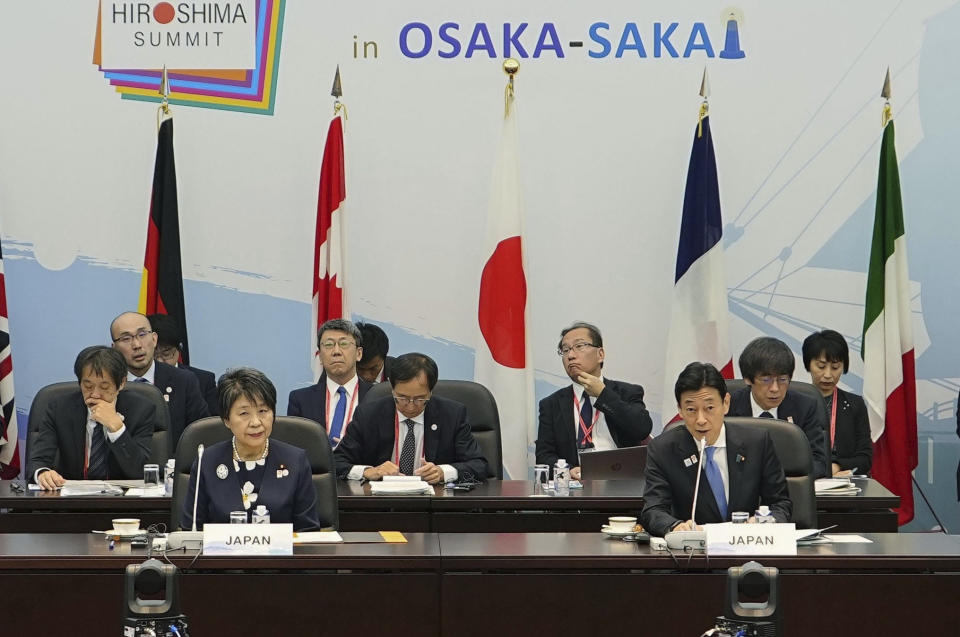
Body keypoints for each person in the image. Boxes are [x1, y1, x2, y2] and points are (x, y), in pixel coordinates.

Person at [641, 362, 792, 537]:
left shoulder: (756, 443)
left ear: (726, 403)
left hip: (747, 550)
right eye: (691, 410)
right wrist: (676, 526)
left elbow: (780, 504)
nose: (701, 419)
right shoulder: (663, 450)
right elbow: (653, 510)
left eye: (709, 408)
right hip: (693, 554)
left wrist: (764, 522)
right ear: (680, 410)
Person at [181, 367, 321, 531]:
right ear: (226, 419)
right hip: (221, 556)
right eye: (244, 413)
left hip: (281, 557)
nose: (256, 422)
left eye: (263, 411)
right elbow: (191, 531)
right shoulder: (207, 462)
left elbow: (308, 533)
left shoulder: (295, 461)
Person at [334, 352, 489, 483]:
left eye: (420, 399)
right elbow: (335, 463)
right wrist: (369, 471)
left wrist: (443, 472)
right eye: (402, 398)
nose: (410, 406)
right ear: (392, 389)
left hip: (434, 506)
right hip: (382, 504)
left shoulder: (452, 415)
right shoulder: (369, 415)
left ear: (431, 391)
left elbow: (479, 466)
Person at [27, 346, 162, 489]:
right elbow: (37, 460)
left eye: (104, 387)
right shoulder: (59, 408)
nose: (95, 394)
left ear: (121, 383)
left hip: (124, 503)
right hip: (71, 504)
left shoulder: (141, 409)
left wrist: (116, 428)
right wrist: (42, 473)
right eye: (88, 386)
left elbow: (138, 471)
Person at [535, 322, 652, 479]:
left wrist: (603, 394)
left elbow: (642, 429)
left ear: (600, 354)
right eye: (565, 350)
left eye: (580, 346)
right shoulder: (551, 404)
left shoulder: (628, 392)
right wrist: (567, 472)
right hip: (576, 489)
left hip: (622, 484)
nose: (570, 355)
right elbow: (544, 456)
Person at [727, 336, 829, 478]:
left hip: (790, 491)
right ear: (748, 379)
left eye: (782, 380)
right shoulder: (729, 407)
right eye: (766, 380)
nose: (775, 388)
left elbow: (818, 463)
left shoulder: (805, 407)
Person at [111, 312, 208, 453]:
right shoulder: (108, 384)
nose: (137, 345)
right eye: (126, 338)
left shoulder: (184, 381)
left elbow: (202, 435)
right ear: (114, 348)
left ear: (154, 339)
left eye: (142, 334)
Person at [288, 319, 373, 448]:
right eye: (328, 345)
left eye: (344, 344)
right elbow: (295, 448)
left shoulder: (377, 398)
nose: (336, 351)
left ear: (358, 353)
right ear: (320, 356)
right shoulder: (300, 399)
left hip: (361, 467)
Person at [801, 330, 872, 476]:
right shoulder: (794, 402)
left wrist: (837, 467)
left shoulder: (855, 404)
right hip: (803, 481)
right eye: (821, 366)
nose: (828, 375)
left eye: (835, 367)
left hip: (842, 483)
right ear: (808, 364)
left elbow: (865, 458)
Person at [148, 313, 219, 416]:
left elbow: (212, 427)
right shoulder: (133, 381)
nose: (159, 361)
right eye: (153, 355)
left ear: (179, 348)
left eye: (166, 354)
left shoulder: (203, 380)